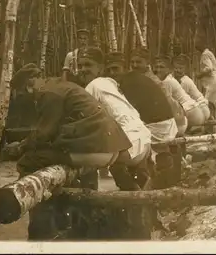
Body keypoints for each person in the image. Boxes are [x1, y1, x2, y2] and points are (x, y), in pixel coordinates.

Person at [10, 63, 136, 240]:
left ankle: (33, 211)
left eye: (25, 90)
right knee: (54, 162)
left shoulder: (48, 93)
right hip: (107, 147)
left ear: (31, 81)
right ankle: (80, 221)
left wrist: (19, 147)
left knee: (29, 161)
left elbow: (43, 133)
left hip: (96, 148)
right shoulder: (61, 86)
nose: (27, 96)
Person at [75, 47, 153, 191]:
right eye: (79, 66)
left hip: (129, 142)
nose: (82, 69)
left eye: (88, 65)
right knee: (117, 169)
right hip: (142, 139)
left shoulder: (93, 86)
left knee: (82, 156)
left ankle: (89, 199)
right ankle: (136, 199)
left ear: (100, 68)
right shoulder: (109, 83)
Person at [104, 51, 180, 189]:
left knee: (117, 158)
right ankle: (143, 182)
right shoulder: (135, 78)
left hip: (157, 128)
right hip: (166, 125)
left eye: (116, 69)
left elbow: (129, 114)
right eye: (109, 70)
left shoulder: (128, 83)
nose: (112, 73)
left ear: (125, 68)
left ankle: (134, 194)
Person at [130, 48, 188, 136]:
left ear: (147, 63)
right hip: (177, 120)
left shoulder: (149, 80)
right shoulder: (146, 77)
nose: (134, 65)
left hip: (174, 124)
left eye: (138, 62)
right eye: (132, 62)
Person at [152, 55, 206, 128]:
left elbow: (167, 103)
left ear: (169, 70)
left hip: (192, 112)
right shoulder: (170, 79)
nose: (158, 70)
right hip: (195, 110)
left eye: (161, 67)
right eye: (157, 67)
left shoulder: (168, 82)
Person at [172, 54, 211, 122]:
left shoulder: (185, 81)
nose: (177, 70)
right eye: (176, 68)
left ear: (185, 69)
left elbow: (181, 100)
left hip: (201, 108)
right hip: (195, 107)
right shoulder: (175, 79)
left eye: (180, 68)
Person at [195, 43, 216, 113]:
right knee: (212, 102)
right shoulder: (208, 53)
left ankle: (212, 121)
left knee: (208, 103)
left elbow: (209, 68)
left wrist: (200, 74)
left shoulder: (205, 54)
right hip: (214, 80)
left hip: (212, 82)